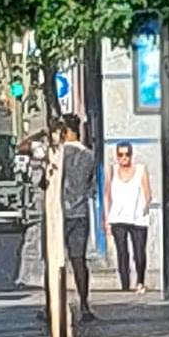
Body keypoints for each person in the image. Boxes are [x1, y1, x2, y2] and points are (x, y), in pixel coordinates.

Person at [61, 114, 97, 321]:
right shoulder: (89, 156)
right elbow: (92, 188)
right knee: (79, 260)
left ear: (65, 132)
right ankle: (84, 305)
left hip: (60, 213)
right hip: (80, 213)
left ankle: (53, 306)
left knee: (54, 261)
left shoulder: (58, 155)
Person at [104, 141, 152, 293]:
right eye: (120, 154)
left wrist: (144, 208)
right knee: (122, 252)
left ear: (132, 155)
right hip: (118, 218)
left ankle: (140, 281)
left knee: (139, 252)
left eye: (127, 154)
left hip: (138, 218)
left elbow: (148, 193)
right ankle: (125, 285)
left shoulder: (140, 170)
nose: (124, 158)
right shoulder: (112, 170)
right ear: (116, 156)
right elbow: (106, 195)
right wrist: (106, 218)